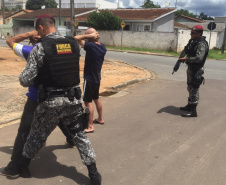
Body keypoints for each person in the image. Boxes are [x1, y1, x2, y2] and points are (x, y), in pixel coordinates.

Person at [6, 15, 101, 185]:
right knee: (80, 137)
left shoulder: (40, 47)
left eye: (38, 31)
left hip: (49, 103)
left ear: (41, 28)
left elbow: (24, 80)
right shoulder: (72, 43)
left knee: (36, 135)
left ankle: (23, 167)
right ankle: (94, 174)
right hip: (72, 101)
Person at [0, 30, 76, 178]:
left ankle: (15, 167)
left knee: (25, 130)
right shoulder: (63, 49)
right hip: (58, 96)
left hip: (36, 98)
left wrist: (29, 33)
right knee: (59, 119)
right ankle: (71, 138)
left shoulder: (31, 50)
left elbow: (10, 41)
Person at [75, 28, 107, 133]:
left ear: (91, 36)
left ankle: (90, 126)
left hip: (89, 78)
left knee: (87, 102)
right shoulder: (102, 47)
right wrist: (91, 36)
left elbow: (76, 38)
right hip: (97, 78)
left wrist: (89, 36)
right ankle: (100, 119)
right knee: (96, 98)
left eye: (87, 35)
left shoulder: (91, 46)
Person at [179, 25, 209, 117]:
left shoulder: (201, 44)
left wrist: (186, 59)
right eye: (191, 32)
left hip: (197, 70)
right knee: (190, 87)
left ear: (199, 34)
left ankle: (193, 111)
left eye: (193, 33)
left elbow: (199, 58)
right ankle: (189, 105)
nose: (191, 34)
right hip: (191, 69)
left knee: (194, 89)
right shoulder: (193, 42)